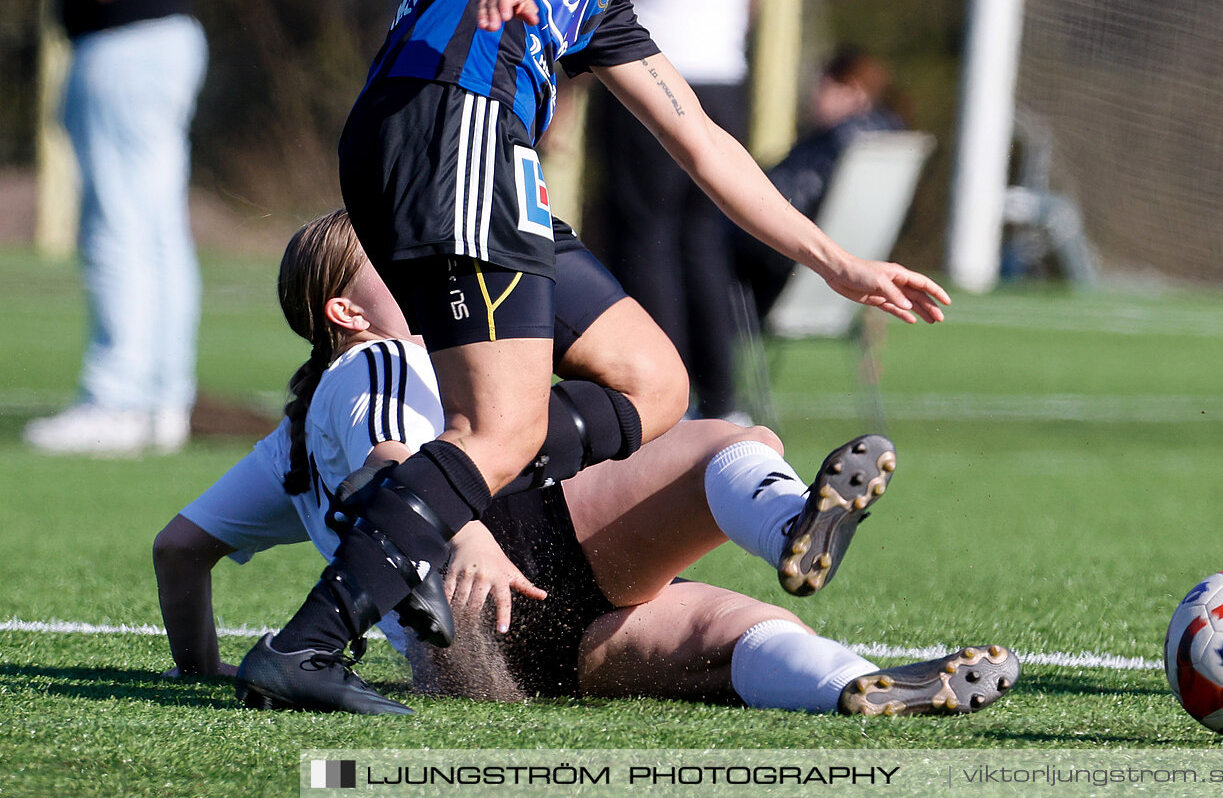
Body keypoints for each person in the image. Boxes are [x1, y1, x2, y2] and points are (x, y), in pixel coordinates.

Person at [236, 0, 950, 714]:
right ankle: (309, 647)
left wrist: (837, 262)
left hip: (482, 149)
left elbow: (699, 139)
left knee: (654, 380)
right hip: (453, 124)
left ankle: (472, 477)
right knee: (500, 424)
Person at [157, 213, 1016, 717]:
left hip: (505, 657)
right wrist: (469, 537)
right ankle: (793, 522)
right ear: (345, 309)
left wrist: (201, 671)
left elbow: (179, 549)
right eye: (389, 258)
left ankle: (848, 687)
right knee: (727, 441)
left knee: (730, 639)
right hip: (509, 563)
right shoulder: (377, 362)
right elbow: (393, 458)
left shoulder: (290, 441)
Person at [26, 0, 208, 457]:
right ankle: (163, 397)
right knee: (157, 223)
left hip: (129, 49)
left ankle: (118, 397)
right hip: (161, 47)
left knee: (119, 223)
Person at [597, 0, 770, 422]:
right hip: (724, 77)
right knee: (703, 242)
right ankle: (721, 398)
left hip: (653, 73)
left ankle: (666, 397)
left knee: (648, 236)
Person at [734, 47, 910, 319]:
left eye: (823, 89)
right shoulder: (887, 144)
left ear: (852, 91)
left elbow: (777, 200)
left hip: (778, 271)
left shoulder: (835, 144)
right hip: (822, 274)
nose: (815, 98)